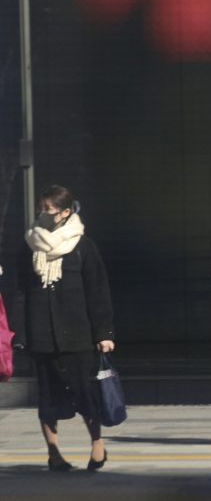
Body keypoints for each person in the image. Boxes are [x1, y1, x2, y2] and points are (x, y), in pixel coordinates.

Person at [12, 185, 115, 472]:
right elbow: (21, 290)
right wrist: (20, 332)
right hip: (41, 332)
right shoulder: (28, 244)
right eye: (41, 208)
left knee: (85, 392)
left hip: (77, 332)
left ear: (66, 212)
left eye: (49, 209)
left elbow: (97, 292)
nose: (43, 213)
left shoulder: (83, 246)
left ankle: (97, 444)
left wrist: (104, 334)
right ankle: (53, 452)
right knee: (47, 396)